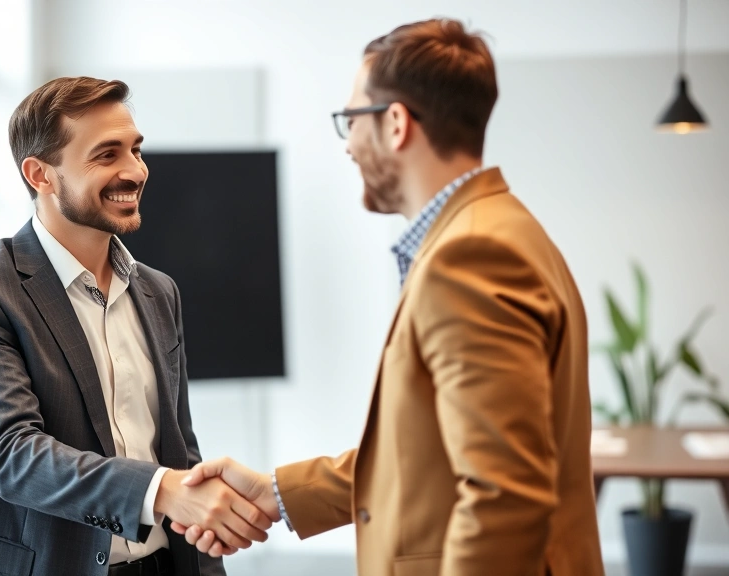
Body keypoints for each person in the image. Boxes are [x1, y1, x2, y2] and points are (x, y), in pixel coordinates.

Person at [173, 19, 604, 576]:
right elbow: (430, 457)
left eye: (352, 119)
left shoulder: (469, 255)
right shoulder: (495, 228)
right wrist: (278, 492)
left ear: (396, 123)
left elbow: (505, 493)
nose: (349, 142)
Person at [0, 76, 271, 576]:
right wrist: (160, 492)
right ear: (40, 175)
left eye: (136, 150)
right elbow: (13, 456)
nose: (135, 171)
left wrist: (203, 534)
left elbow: (177, 445)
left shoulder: (159, 291)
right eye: (106, 155)